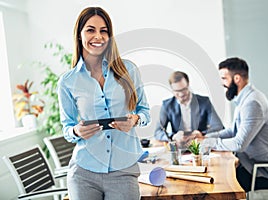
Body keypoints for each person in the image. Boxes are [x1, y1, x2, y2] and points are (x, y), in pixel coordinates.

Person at [57, 7, 150, 200]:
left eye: (104, 30)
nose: (98, 36)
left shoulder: (129, 70)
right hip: (84, 172)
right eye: (90, 30)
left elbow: (144, 111)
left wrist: (134, 119)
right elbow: (67, 127)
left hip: (123, 171)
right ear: (79, 35)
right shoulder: (67, 81)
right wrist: (76, 131)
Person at [203, 57, 268, 192]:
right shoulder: (245, 99)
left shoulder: (252, 103)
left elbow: (239, 144)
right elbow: (233, 131)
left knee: (219, 184)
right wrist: (206, 137)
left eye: (224, 78)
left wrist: (209, 143)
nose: (222, 83)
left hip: (263, 173)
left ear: (237, 79)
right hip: (250, 165)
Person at [154, 71, 224, 148]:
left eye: (184, 89)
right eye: (177, 91)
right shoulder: (167, 105)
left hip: (200, 145)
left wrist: (201, 134)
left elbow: (218, 127)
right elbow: (158, 132)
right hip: (179, 147)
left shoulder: (204, 102)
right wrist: (173, 137)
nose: (181, 94)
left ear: (188, 85)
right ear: (172, 90)